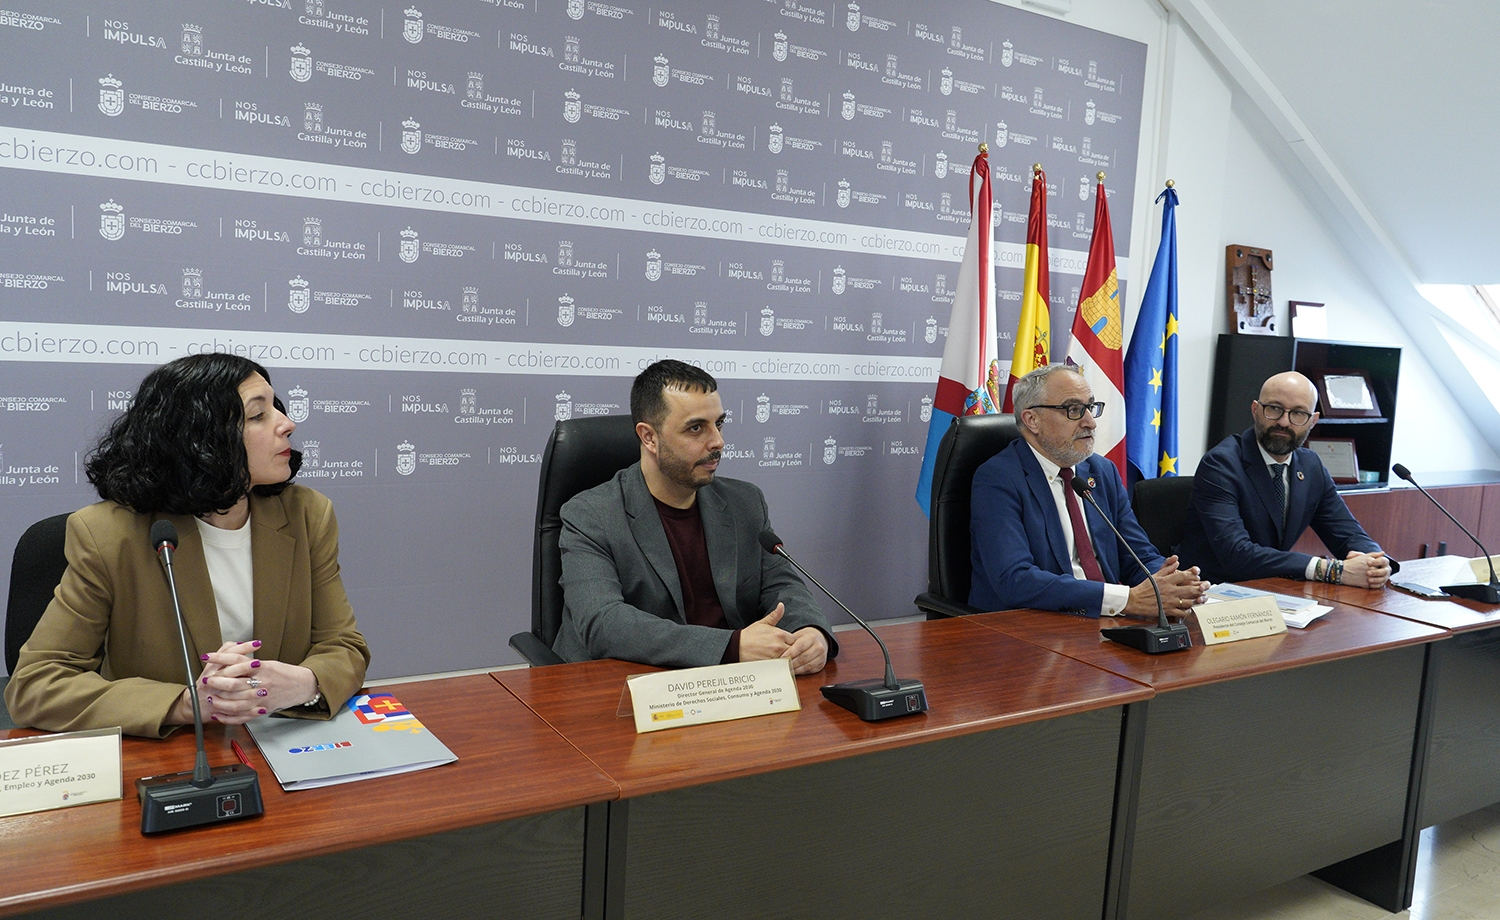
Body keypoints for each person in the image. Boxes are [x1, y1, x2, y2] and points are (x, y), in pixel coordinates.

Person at [5, 354, 370, 738]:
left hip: (278, 743)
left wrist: (306, 684)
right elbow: (35, 686)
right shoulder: (109, 534)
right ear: (201, 438)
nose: (288, 424)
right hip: (168, 756)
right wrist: (184, 703)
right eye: (258, 415)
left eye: (277, 408)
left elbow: (343, 646)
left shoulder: (306, 514)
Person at [553, 360, 837, 672]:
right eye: (696, 428)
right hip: (624, 690)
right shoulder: (591, 515)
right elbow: (604, 623)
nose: (717, 441)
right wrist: (731, 646)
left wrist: (811, 632)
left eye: (719, 424)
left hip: (730, 685)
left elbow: (781, 584)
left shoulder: (745, 502)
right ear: (649, 437)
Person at [969, 364, 1208, 618]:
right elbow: (1015, 579)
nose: (1091, 422)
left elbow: (1137, 554)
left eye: (1091, 407)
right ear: (1032, 420)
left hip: (1108, 619)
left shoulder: (1101, 471)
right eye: (1074, 410)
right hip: (1032, 626)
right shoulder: (999, 478)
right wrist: (1125, 600)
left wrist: (1170, 583)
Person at [1175, 371, 1391, 587]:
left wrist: (1374, 562)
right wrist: (1330, 570)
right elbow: (1236, 554)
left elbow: (1347, 533)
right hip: (1211, 591)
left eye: (1298, 413)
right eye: (1274, 409)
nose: (1284, 422)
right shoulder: (1221, 464)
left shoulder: (1311, 465)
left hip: (1271, 588)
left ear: (1313, 421)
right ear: (1255, 410)